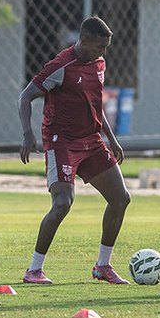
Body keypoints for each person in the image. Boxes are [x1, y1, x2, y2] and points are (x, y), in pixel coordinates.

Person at [19, 16, 131, 285]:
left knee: (121, 198)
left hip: (92, 142)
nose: (102, 53)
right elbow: (25, 97)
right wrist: (28, 134)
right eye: (99, 47)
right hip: (62, 142)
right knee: (62, 204)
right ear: (84, 41)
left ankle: (102, 266)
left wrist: (111, 139)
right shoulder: (61, 66)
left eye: (105, 48)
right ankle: (34, 270)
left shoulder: (99, 64)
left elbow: (95, 104)